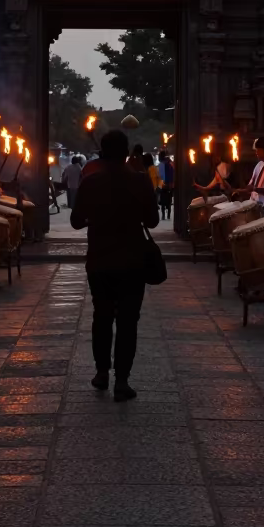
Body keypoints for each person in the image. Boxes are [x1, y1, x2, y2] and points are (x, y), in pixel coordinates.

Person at [71, 130, 159, 401]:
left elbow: (75, 221)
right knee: (128, 321)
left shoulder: (90, 181)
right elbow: (153, 221)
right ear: (126, 152)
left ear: (101, 153)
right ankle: (122, 380)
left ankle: (101, 373)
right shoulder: (140, 181)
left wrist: (95, 218)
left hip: (99, 260)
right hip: (132, 261)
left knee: (102, 316)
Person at [234, 136, 264, 208]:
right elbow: (251, 186)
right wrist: (242, 191)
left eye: (259, 150)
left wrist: (255, 189)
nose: (256, 153)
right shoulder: (259, 164)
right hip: (253, 203)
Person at [158, 150, 175, 221]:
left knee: (163, 201)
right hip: (169, 185)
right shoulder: (170, 163)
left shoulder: (161, 164)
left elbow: (160, 175)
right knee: (168, 200)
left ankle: (164, 216)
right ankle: (167, 215)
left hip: (164, 184)